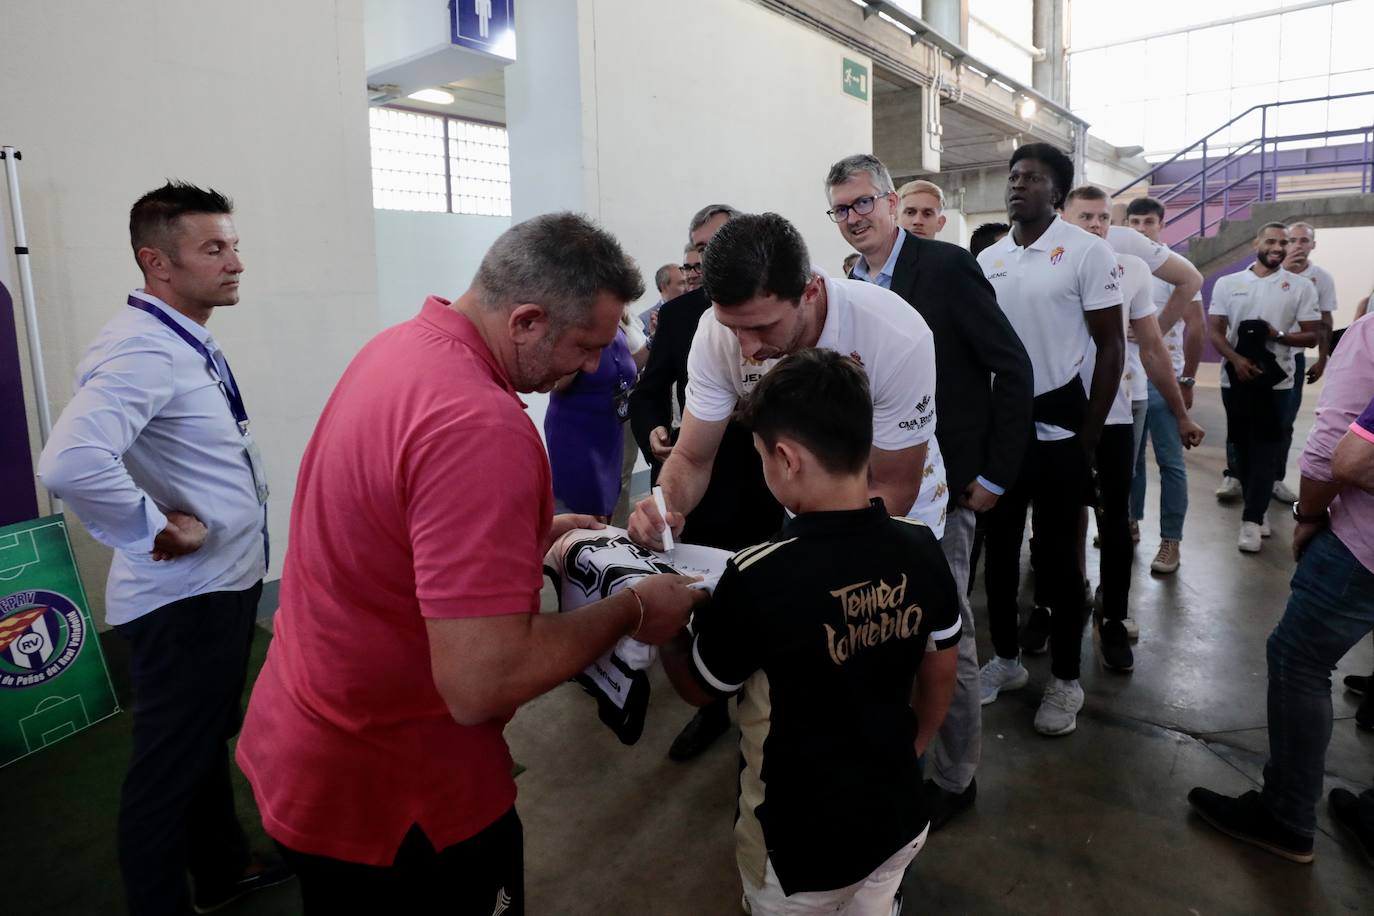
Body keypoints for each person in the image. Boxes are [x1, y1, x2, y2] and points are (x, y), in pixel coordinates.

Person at [234, 213, 705, 914]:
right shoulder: (482, 424)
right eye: (583, 346)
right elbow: (483, 681)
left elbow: (392, 526)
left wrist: (525, 534)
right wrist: (634, 609)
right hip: (399, 787)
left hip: (310, 736)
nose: (587, 367)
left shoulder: (400, 350)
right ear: (525, 320)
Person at [36, 181, 289, 916]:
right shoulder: (143, 348)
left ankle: (221, 870)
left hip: (219, 586)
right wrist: (154, 525)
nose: (235, 261)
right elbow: (69, 461)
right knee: (166, 771)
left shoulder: (178, 336)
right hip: (185, 600)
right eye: (214, 249)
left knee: (203, 741)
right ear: (158, 262)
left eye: (233, 244)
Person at [660, 348, 960, 915]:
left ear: (786, 458)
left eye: (760, 458)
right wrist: (912, 748)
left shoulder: (759, 574)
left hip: (797, 850)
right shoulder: (920, 546)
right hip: (896, 820)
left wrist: (669, 626)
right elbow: (941, 669)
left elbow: (703, 688)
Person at [826, 152, 1034, 827]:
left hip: (945, 488)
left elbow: (1012, 366)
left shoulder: (943, 268)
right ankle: (901, 749)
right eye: (840, 209)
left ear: (891, 203)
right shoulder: (846, 285)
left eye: (863, 202)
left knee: (950, 636)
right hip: (871, 486)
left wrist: (996, 472)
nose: (853, 217)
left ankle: (956, 776)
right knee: (890, 630)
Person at [627, 211, 947, 556]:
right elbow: (692, 457)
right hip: (802, 518)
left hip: (898, 521)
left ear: (810, 291)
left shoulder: (894, 334)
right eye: (732, 327)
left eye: (762, 327)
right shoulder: (714, 334)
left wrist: (810, 559)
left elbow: (891, 485)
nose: (747, 348)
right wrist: (663, 507)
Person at [1186, 314, 1374, 865]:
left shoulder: (1367, 336)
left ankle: (1286, 816)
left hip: (1362, 545)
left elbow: (1336, 454)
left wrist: (1309, 515)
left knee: (1298, 660)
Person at [975, 143, 1124, 736]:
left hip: (1062, 428)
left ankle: (1066, 679)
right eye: (1013, 176)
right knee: (1001, 555)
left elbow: (1111, 346)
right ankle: (1008, 661)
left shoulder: (1086, 252)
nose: (1018, 185)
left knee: (1060, 563)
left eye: (1031, 178)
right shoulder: (989, 260)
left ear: (1056, 194)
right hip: (1002, 432)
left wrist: (1087, 439)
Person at [627, 203, 784, 763]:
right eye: (699, 249)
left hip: (767, 486)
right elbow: (649, 392)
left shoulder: (779, 313)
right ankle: (710, 706)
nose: (704, 259)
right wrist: (654, 435)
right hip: (700, 483)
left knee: (760, 597)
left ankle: (760, 708)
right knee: (700, 595)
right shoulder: (680, 317)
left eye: (716, 245)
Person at [1063, 186, 1204, 671]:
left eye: (1104, 218)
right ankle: (1059, 605)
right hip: (1055, 417)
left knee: (1116, 523)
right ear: (1064, 217)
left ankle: (1115, 618)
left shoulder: (1134, 269)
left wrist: (1181, 409)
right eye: (1086, 218)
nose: (1097, 226)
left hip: (1117, 414)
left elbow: (1152, 348)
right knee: (1058, 520)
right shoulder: (1043, 266)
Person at [1208, 223, 1322, 553]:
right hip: (1236, 380)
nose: (1277, 247)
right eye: (1271, 241)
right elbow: (1215, 330)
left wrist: (1278, 335)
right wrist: (1236, 360)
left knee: (1266, 449)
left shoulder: (1300, 287)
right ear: (1256, 242)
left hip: (1278, 383)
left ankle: (1253, 519)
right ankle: (1254, 502)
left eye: (1283, 242)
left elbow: (1312, 334)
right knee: (1240, 447)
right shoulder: (1229, 284)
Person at [1126, 196, 1207, 575]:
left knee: (1171, 462)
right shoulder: (1119, 265)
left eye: (1149, 223)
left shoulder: (1174, 270)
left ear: (1161, 226)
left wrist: (1187, 378)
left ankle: (1171, 540)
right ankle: (1130, 521)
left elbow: (1196, 327)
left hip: (1164, 379)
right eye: (1135, 222)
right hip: (1127, 383)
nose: (1142, 229)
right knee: (1131, 463)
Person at [545, 314, 645, 520]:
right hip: (578, 433)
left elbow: (628, 370)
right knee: (582, 513)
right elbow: (556, 383)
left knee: (608, 504)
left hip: (610, 432)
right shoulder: (575, 324)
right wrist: (587, 342)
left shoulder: (619, 327)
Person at [1271, 222, 1338, 504]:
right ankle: (1235, 473)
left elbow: (1324, 322)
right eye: (1292, 240)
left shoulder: (1321, 278)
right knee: (1244, 418)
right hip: (1261, 353)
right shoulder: (1269, 271)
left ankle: (1275, 478)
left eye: (1303, 240)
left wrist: (1322, 359)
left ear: (1313, 245)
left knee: (1285, 421)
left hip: (1295, 356)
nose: (1297, 245)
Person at [639, 262, 687, 339]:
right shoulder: (643, 322)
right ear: (664, 287)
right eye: (682, 283)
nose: (687, 288)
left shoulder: (694, 312)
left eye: (687, 282)